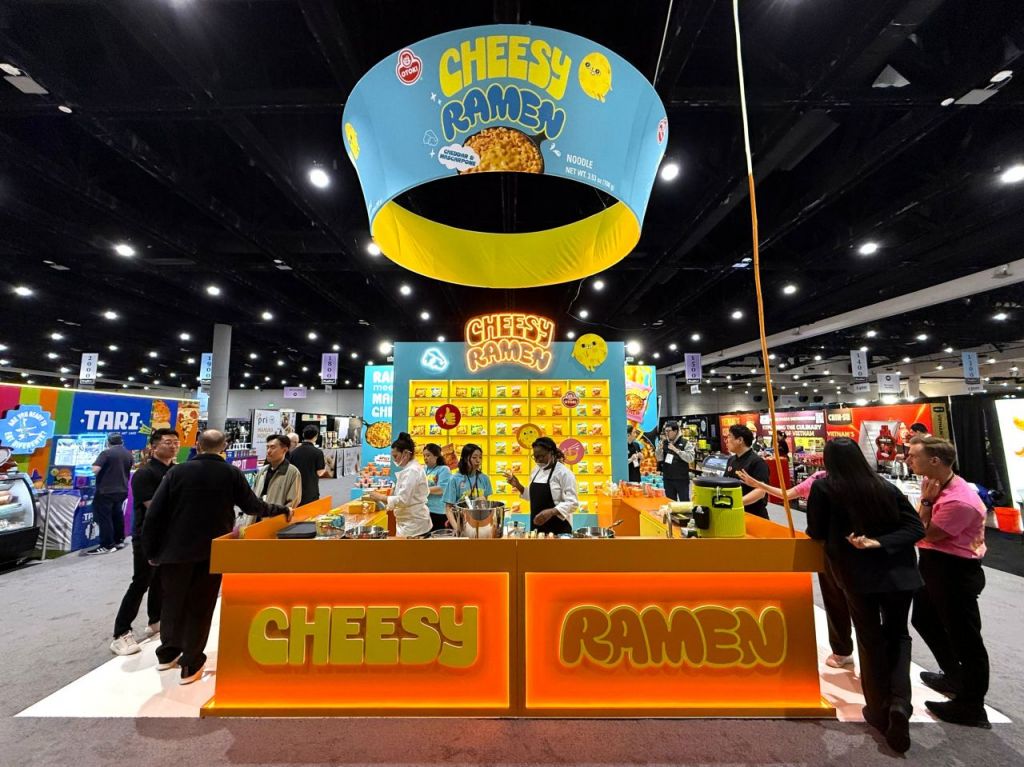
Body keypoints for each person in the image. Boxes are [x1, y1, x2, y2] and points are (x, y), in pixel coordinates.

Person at [806, 437, 925, 754]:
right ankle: (899, 702)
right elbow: (916, 528)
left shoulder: (824, 488)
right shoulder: (884, 486)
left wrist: (863, 543)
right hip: (899, 574)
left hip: (857, 575)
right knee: (898, 636)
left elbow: (815, 531)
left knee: (870, 637)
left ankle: (878, 708)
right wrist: (881, 542)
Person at [143, 430, 290, 685]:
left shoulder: (177, 472)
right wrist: (281, 510)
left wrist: (151, 550)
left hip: (174, 550)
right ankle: (190, 663)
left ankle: (167, 653)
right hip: (212, 550)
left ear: (198, 445)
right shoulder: (230, 473)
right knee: (201, 605)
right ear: (224, 448)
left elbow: (155, 513)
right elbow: (253, 506)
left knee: (173, 601)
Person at [906, 436, 991, 728]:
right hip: (933, 565)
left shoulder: (959, 500)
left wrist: (926, 503)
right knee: (924, 619)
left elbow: (923, 532)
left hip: (954, 571)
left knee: (966, 638)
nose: (908, 460)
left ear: (934, 460)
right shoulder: (934, 484)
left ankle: (972, 706)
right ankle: (954, 676)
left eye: (914, 456)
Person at [737, 466, 854, 669]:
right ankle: (847, 651)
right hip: (846, 548)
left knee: (844, 600)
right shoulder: (824, 478)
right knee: (842, 600)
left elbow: (791, 497)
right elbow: (788, 494)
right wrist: (759, 485)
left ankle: (849, 652)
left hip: (837, 548)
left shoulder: (826, 481)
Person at [110, 428, 180, 656]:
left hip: (170, 536)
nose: (173, 446)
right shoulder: (145, 473)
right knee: (141, 581)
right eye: (168, 442)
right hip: (148, 537)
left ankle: (156, 620)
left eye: (176, 442)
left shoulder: (176, 471)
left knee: (161, 580)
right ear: (154, 446)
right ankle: (121, 632)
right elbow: (154, 507)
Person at [504, 436, 578, 534]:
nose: (538, 460)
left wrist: (551, 512)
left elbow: (573, 503)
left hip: (559, 528)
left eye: (542, 456)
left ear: (552, 453)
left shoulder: (564, 473)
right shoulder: (536, 471)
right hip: (537, 528)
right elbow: (533, 497)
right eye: (535, 456)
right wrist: (518, 486)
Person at [366, 432, 431, 538]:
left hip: (414, 525)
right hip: (408, 523)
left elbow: (403, 500)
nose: (394, 459)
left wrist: (380, 497)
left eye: (396, 456)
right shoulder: (409, 469)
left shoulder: (412, 471)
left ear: (406, 453)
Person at [89, 433, 134, 554]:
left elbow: (95, 469)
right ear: (122, 442)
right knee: (117, 515)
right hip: (122, 489)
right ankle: (119, 540)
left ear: (108, 442)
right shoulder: (128, 454)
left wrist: (90, 468)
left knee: (105, 518)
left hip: (106, 490)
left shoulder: (106, 453)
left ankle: (107, 545)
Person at [723, 424, 770, 519]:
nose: (727, 441)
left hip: (754, 515)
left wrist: (737, 502)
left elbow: (761, 491)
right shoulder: (731, 460)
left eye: (729, 436)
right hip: (734, 512)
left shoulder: (757, 462)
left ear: (740, 440)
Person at [254, 434, 302, 507]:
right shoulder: (263, 470)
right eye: (267, 447)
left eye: (272, 447)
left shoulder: (293, 472)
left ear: (285, 450)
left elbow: (294, 501)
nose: (268, 451)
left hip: (277, 514)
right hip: (258, 513)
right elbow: (254, 494)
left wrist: (280, 513)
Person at [443, 443, 493, 511]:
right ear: (465, 458)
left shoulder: (484, 478)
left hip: (479, 516)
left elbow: (484, 502)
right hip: (460, 516)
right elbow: (448, 508)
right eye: (474, 457)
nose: (478, 461)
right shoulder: (454, 479)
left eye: (480, 457)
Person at [289, 425, 328, 506]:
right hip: (311, 488)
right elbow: (320, 472)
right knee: (311, 509)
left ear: (303, 435)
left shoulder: (294, 452)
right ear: (316, 437)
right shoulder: (318, 452)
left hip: (295, 487)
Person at [658, 421, 694, 501]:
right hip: (668, 479)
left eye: (669, 431)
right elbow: (659, 458)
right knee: (670, 502)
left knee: (684, 502)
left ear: (675, 431)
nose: (667, 433)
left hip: (681, 479)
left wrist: (676, 450)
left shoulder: (685, 443)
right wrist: (659, 450)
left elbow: (690, 458)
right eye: (665, 431)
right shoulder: (664, 443)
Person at [422, 443, 452, 531]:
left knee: (437, 536)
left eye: (428, 455)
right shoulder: (423, 469)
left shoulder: (444, 469)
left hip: (438, 511)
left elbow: (442, 489)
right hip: (424, 510)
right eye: (424, 456)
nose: (425, 458)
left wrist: (422, 490)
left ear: (436, 456)